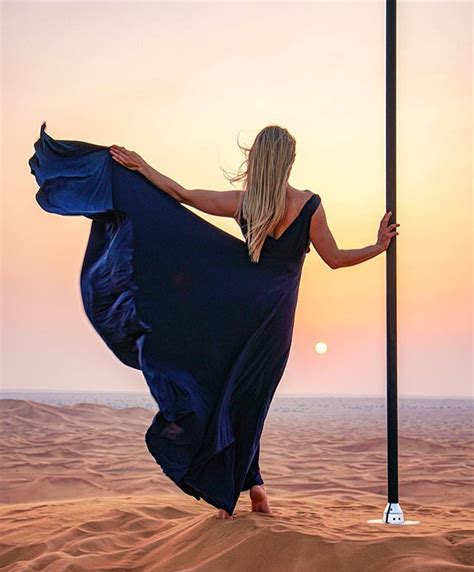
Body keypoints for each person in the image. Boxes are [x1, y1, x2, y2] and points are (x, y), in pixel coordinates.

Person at [29, 123, 399, 520]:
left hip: (235, 311)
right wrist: (378, 247)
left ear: (257, 158)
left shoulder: (244, 202)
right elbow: (335, 258)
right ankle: (241, 492)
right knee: (249, 402)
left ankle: (248, 488)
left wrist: (143, 168)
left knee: (230, 396)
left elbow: (181, 195)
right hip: (273, 322)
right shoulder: (309, 205)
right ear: (289, 161)